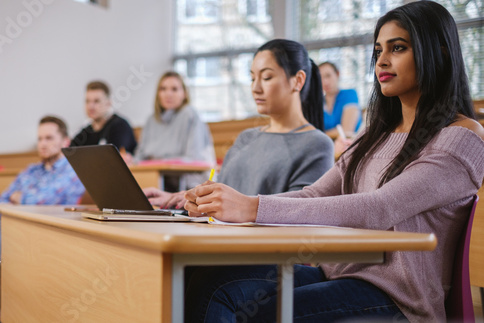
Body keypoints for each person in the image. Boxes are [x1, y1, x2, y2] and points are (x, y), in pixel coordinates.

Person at [183, 2, 484, 322]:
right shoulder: (376, 134)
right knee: (210, 282)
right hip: (340, 275)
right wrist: (223, 206)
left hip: (400, 300)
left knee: (264, 314)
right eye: (378, 50)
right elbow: (314, 194)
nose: (382, 60)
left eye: (398, 48)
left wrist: (251, 207)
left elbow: (379, 208)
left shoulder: (462, 137)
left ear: (440, 53)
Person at [144, 39, 334, 209]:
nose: (255, 88)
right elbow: (221, 193)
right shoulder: (247, 137)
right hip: (218, 233)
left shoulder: (317, 144)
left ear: (298, 81)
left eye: (266, 77)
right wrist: (182, 198)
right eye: (252, 78)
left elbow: (301, 211)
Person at [134, 71, 216, 191]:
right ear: (158, 93)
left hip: (186, 183)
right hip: (156, 179)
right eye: (163, 89)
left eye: (174, 89)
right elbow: (140, 156)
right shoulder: (151, 120)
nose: (168, 94)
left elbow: (194, 158)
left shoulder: (190, 115)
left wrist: (159, 162)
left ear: (184, 94)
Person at [0, 116, 85, 205]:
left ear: (66, 142)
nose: (43, 144)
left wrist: (20, 198)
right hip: (18, 218)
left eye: (49, 138)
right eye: (40, 139)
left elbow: (44, 201)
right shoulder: (31, 170)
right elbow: (0, 200)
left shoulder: (73, 171)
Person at [70, 81, 137, 154]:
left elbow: (115, 157)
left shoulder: (120, 126)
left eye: (96, 101)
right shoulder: (86, 132)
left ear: (108, 103)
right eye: (87, 101)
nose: (90, 106)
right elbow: (69, 152)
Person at [319, 61, 362, 138]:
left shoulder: (349, 94)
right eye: (320, 78)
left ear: (337, 74)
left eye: (328, 76)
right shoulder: (318, 102)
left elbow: (347, 131)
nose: (325, 82)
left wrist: (319, 135)